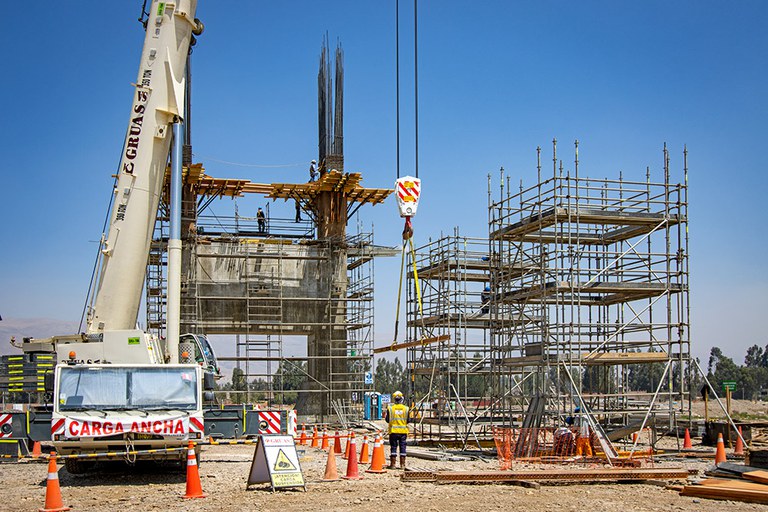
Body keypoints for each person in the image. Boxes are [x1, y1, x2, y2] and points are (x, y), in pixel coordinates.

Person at [384, 390, 409, 469]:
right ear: (401, 398)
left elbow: (387, 420)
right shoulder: (406, 408)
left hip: (393, 431)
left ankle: (393, 464)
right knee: (403, 447)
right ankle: (402, 464)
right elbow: (409, 420)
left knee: (393, 447)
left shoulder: (390, 408)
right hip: (403, 432)